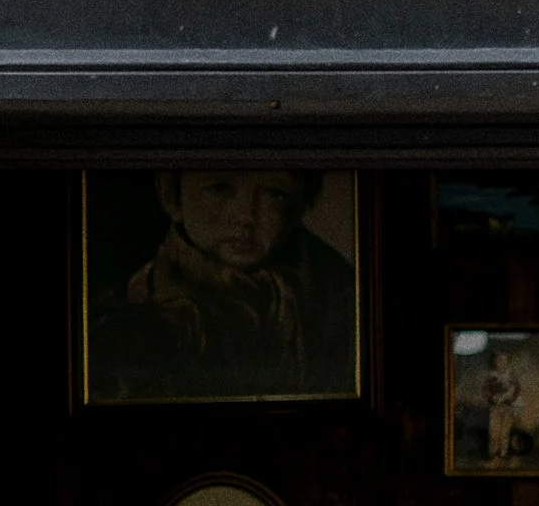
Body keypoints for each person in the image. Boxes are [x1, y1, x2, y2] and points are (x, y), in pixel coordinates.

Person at [89, 169, 356, 401]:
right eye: (220, 188)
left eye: (274, 193)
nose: (246, 216)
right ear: (171, 195)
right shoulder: (129, 307)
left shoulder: (336, 296)